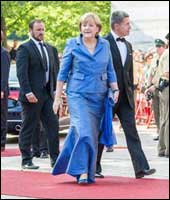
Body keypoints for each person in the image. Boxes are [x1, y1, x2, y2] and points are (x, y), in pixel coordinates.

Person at [52, 13, 119, 184]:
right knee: (84, 131)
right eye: (84, 25)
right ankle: (81, 171)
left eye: (90, 25)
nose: (86, 28)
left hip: (99, 94)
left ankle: (84, 169)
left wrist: (115, 88)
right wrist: (57, 97)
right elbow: (62, 73)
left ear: (98, 28)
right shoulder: (72, 44)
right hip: (78, 94)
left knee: (91, 134)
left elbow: (110, 69)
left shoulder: (105, 45)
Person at [96, 11, 156, 179]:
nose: (130, 27)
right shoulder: (103, 43)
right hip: (107, 96)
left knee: (132, 132)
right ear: (117, 25)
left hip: (126, 98)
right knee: (102, 131)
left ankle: (141, 167)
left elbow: (127, 72)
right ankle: (94, 166)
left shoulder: (128, 46)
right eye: (127, 24)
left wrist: (131, 89)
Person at [16, 19, 59, 169]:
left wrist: (56, 91)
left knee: (53, 126)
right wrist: (27, 91)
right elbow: (21, 73)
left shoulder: (50, 48)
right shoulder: (24, 48)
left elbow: (55, 72)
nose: (41, 32)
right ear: (31, 31)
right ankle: (26, 159)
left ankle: (56, 159)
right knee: (29, 127)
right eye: (38, 30)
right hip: (31, 96)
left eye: (42, 29)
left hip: (47, 95)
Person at [147, 33, 169, 158]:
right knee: (167, 119)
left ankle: (162, 148)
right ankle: (166, 149)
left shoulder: (165, 54)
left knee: (164, 119)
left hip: (163, 87)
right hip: (166, 87)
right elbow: (167, 73)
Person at [145, 39, 166, 141]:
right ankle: (159, 131)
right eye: (156, 47)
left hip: (163, 86)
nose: (157, 49)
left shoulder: (166, 57)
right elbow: (150, 74)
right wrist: (148, 86)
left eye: (159, 47)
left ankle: (163, 134)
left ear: (164, 47)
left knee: (164, 112)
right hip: (154, 87)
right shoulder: (155, 59)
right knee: (156, 111)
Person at [1, 30, 10, 152]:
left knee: (2, 117)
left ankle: (2, 142)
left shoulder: (3, 53)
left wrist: (2, 89)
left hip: (1, 90)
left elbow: (4, 73)